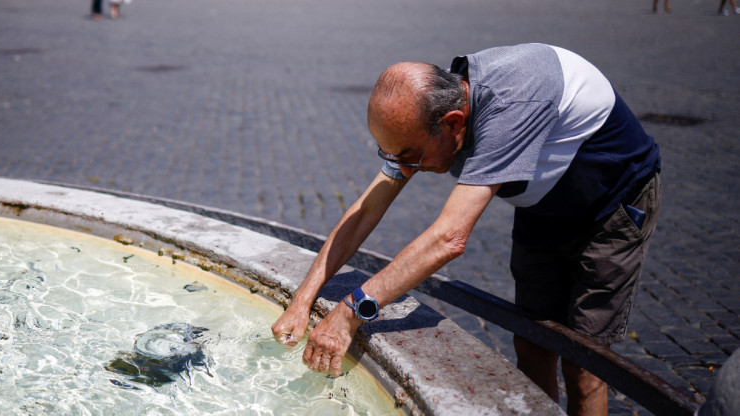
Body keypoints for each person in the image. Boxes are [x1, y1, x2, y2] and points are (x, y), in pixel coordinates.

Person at [271, 43, 661, 416]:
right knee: (532, 343)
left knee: (584, 362)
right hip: (542, 206)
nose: (401, 166)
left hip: (610, 207)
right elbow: (366, 208)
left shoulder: (509, 107)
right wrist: (302, 300)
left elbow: (449, 238)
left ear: (453, 124)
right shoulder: (432, 110)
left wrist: (350, 312)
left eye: (409, 156)